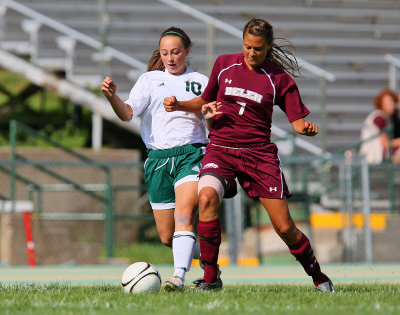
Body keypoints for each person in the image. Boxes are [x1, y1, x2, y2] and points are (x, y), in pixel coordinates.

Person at [164, 18, 334, 292]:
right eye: (247, 46)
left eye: (257, 48)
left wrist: (306, 129)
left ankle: (318, 276)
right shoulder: (224, 64)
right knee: (206, 198)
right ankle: (210, 279)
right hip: (221, 149)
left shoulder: (279, 79)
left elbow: (297, 121)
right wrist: (180, 105)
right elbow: (205, 101)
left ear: (268, 47)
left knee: (284, 227)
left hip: (259, 156)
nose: (251, 53)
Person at [101, 27, 209, 291]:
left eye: (176, 52)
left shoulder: (202, 81)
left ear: (187, 51)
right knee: (166, 235)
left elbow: (214, 116)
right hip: (158, 160)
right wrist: (112, 96)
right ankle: (209, 256)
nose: (170, 58)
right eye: (165, 53)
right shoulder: (149, 80)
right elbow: (127, 113)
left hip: (191, 154)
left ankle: (178, 278)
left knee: (184, 217)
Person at [360, 88, 400, 164]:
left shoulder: (388, 118)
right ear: (382, 104)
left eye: (393, 103)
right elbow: (385, 143)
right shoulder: (379, 117)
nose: (392, 106)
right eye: (389, 103)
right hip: (374, 155)